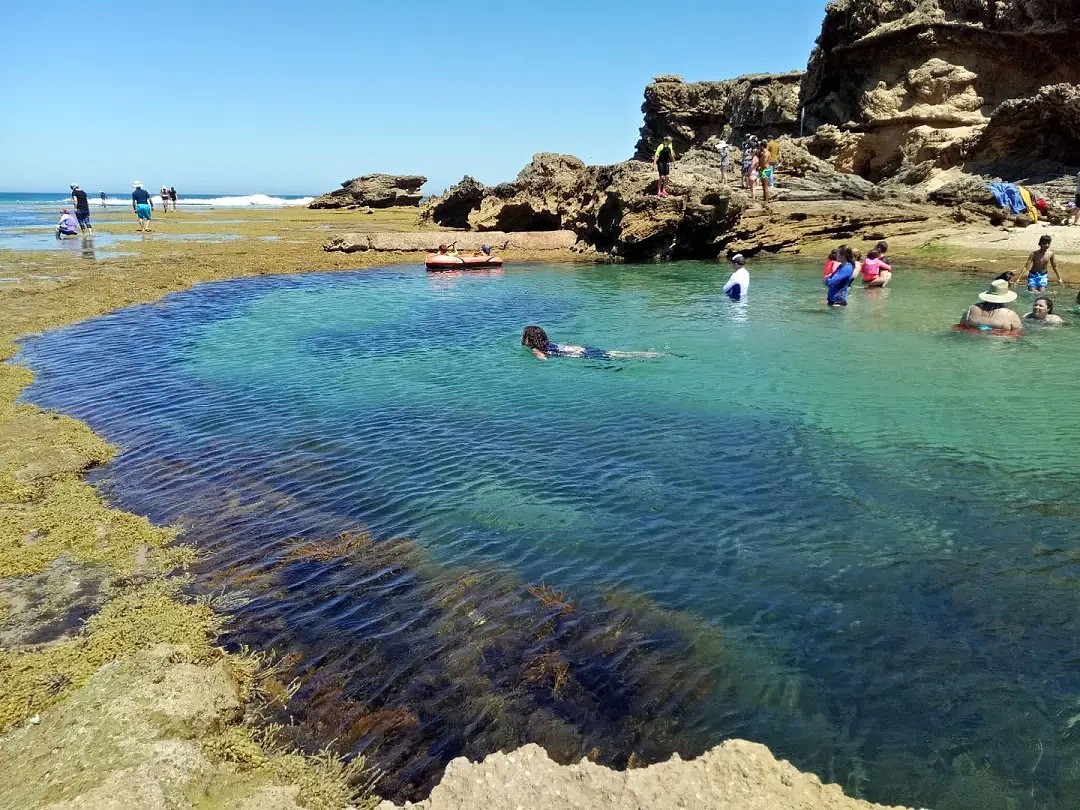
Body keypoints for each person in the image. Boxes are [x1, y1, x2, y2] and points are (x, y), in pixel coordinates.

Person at [521, 326, 658, 362]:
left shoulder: (536, 350)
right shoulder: (550, 344)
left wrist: (539, 358)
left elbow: (543, 360)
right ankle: (651, 354)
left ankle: (649, 356)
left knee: (618, 358)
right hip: (583, 349)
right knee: (616, 354)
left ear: (530, 339)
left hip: (580, 355)